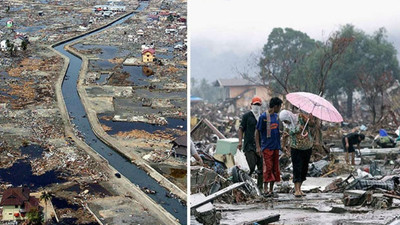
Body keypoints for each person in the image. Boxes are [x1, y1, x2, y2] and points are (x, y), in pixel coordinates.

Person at [280, 110, 314, 197]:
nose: (285, 122)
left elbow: (311, 125)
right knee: (297, 168)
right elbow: (285, 135)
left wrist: (311, 119)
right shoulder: (287, 125)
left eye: (285, 120)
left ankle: (300, 188)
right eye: (284, 121)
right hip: (295, 148)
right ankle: (296, 190)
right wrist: (283, 146)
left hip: (307, 147)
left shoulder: (301, 117)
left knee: (304, 168)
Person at [255, 97, 283, 197]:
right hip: (267, 147)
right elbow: (257, 131)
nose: (280, 108)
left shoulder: (276, 116)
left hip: (276, 146)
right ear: (275, 106)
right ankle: (265, 189)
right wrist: (258, 147)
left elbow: (276, 130)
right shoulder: (263, 117)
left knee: (275, 168)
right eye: (279, 106)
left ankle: (271, 190)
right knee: (267, 168)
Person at [238, 96, 263, 190]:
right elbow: (241, 129)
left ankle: (260, 188)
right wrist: (240, 141)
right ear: (251, 105)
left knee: (261, 168)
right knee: (251, 166)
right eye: (255, 104)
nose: (257, 106)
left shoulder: (262, 117)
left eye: (258, 105)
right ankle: (246, 184)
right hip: (249, 145)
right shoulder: (247, 116)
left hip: (261, 145)